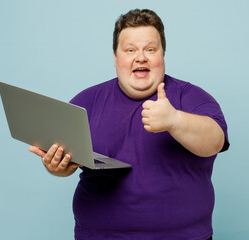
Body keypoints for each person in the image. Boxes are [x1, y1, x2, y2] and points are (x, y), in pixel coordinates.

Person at [29, 9, 229, 240]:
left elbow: (215, 141)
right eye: (130, 50)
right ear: (116, 58)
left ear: (162, 55)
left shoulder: (192, 97)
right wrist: (58, 167)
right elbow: (65, 159)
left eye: (150, 49)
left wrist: (174, 120)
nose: (141, 57)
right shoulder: (85, 103)